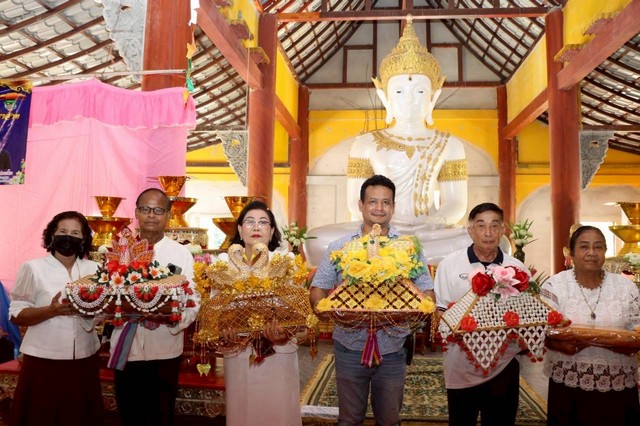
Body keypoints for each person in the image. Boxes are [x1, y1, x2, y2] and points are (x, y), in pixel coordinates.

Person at [305, 17, 470, 267]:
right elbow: (355, 203)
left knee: (489, 242)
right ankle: (400, 252)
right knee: (317, 239)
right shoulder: (365, 143)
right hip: (378, 230)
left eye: (420, 91)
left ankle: (402, 253)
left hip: (428, 231)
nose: (409, 100)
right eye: (400, 92)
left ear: (433, 97)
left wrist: (435, 222)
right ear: (385, 98)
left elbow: (456, 203)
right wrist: (379, 225)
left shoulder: (449, 144)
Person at [310, 175, 434, 426]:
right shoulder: (340, 246)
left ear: (393, 207)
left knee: (389, 419)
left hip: (393, 347)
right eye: (373, 201)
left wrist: (413, 310)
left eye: (385, 202)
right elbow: (318, 289)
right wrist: (328, 310)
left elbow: (427, 293)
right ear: (361, 205)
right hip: (349, 345)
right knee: (349, 419)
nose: (379, 208)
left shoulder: (408, 248)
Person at [110, 188, 200, 426]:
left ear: (168, 215)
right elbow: (107, 293)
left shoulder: (181, 254)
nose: (151, 215)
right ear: (136, 213)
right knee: (129, 416)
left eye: (158, 210)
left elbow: (193, 298)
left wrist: (172, 318)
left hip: (164, 348)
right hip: (126, 347)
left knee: (161, 416)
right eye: (146, 209)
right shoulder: (120, 251)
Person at [434, 202, 527, 426]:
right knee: (461, 421)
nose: (488, 232)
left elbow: (525, 314)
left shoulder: (517, 268)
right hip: (462, 362)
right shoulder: (449, 265)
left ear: (502, 230)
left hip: (504, 362)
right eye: (481, 225)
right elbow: (440, 312)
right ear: (470, 231)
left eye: (494, 226)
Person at [9, 211, 104, 426]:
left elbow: (101, 312)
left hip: (84, 360)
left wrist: (89, 311)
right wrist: (51, 311)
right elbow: (16, 314)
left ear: (84, 239)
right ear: (52, 235)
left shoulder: (95, 270)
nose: (68, 237)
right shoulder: (33, 268)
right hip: (43, 362)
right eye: (63, 231)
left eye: (75, 233)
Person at [540, 226, 640, 426]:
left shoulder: (625, 287)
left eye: (598, 247)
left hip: (617, 383)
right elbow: (544, 331)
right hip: (569, 383)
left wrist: (625, 342)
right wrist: (560, 343)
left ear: (605, 252)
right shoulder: (554, 286)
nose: (592, 253)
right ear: (571, 253)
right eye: (584, 247)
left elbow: (636, 331)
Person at [217, 200, 302, 426]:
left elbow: (299, 311)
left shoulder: (286, 262)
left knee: (278, 413)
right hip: (238, 352)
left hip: (279, 351)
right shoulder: (224, 264)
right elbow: (215, 311)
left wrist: (284, 333)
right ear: (239, 229)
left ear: (271, 231)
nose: (256, 227)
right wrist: (224, 333)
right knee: (242, 412)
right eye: (250, 222)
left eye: (263, 222)